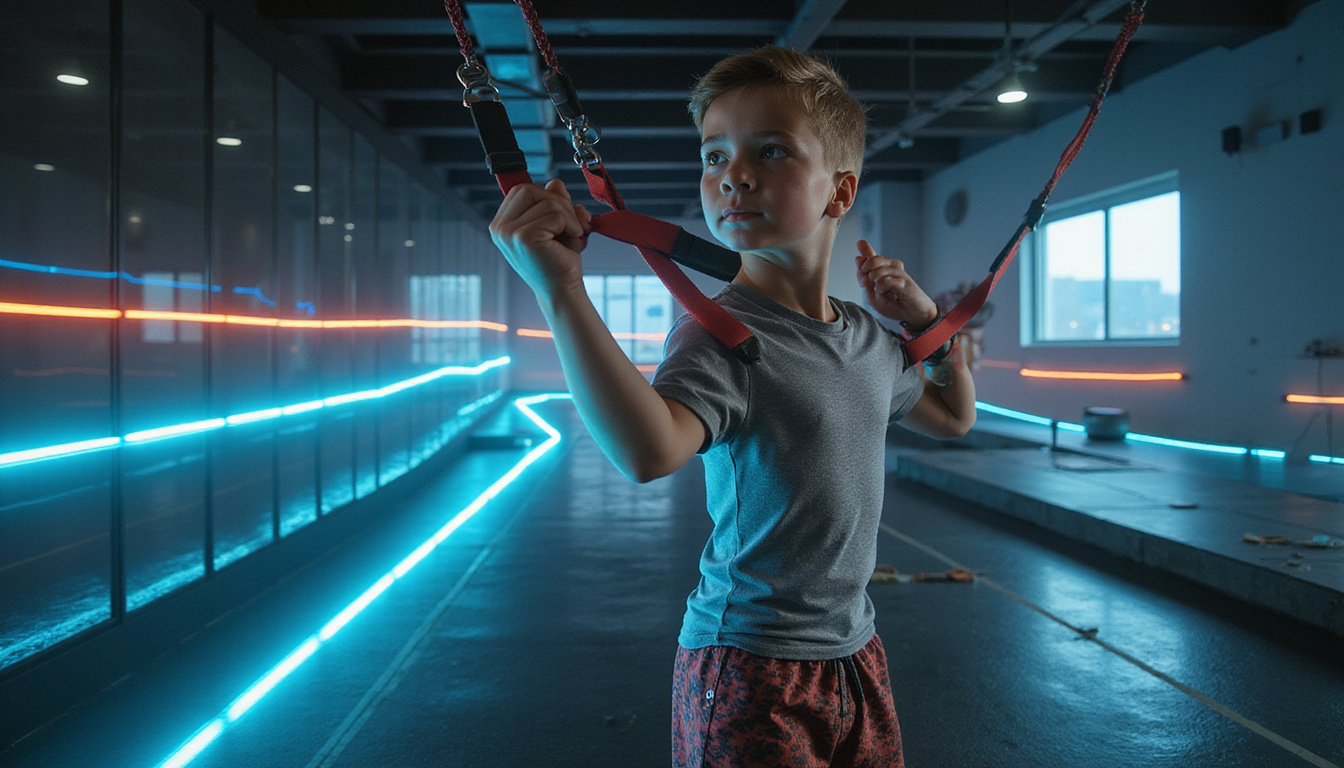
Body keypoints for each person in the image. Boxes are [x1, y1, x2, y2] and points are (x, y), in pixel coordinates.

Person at [490, 45, 976, 768]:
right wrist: (560, 292)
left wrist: (929, 322)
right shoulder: (719, 335)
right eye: (714, 156)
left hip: (857, 650)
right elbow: (649, 451)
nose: (734, 175)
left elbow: (952, 416)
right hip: (751, 663)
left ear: (839, 193)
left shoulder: (869, 338)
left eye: (770, 151)